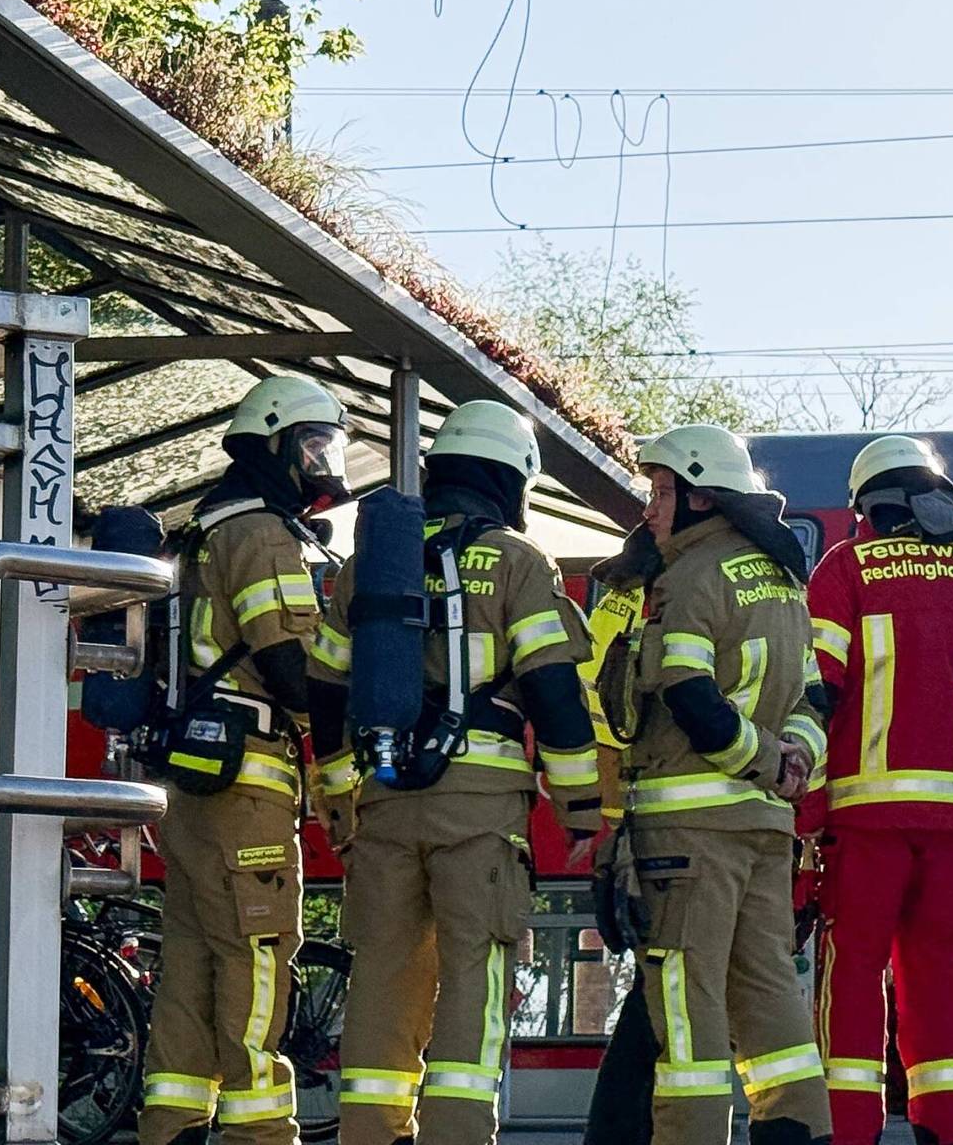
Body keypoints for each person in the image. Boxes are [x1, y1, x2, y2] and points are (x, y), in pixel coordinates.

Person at [305, 400, 605, 1145]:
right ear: (512, 479)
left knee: (382, 971)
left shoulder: (369, 566)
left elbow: (326, 688)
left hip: (383, 802)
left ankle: (370, 1132)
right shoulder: (515, 560)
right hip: (476, 810)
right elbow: (554, 692)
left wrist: (339, 791)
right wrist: (580, 805)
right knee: (476, 971)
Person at [593, 424, 831, 1145]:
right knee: (770, 1000)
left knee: (684, 1007)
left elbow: (687, 691)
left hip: (689, 833)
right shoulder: (782, 581)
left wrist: (759, 757)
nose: (650, 510)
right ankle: (799, 1130)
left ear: (703, 497)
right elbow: (815, 702)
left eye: (663, 492)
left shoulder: (689, 576)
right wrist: (792, 762)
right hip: (765, 829)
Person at [138, 375, 352, 1145]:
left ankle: (173, 1125)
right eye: (314, 443)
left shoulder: (203, 529)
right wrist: (343, 753)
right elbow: (292, 667)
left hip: (196, 789)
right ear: (273, 444)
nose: (325, 461)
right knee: (260, 957)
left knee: (192, 967)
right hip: (249, 785)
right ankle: (262, 1132)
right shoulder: (262, 535)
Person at [804, 435, 953, 1145]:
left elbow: (819, 694)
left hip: (866, 817)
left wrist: (806, 812)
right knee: (941, 975)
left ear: (866, 505)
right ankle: (952, 1129)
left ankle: (850, 1130)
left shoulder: (845, 569)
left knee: (855, 973)